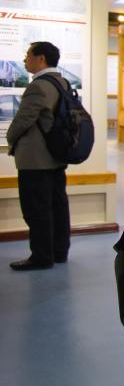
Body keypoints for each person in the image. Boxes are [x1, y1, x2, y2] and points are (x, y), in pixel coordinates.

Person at [6, 41, 71, 271]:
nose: (25, 60)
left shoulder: (39, 86)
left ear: (41, 58)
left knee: (37, 209)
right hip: (56, 156)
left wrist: (9, 138)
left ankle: (41, 256)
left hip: (35, 160)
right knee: (57, 205)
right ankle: (59, 251)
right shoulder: (62, 82)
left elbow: (23, 120)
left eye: (28, 55)